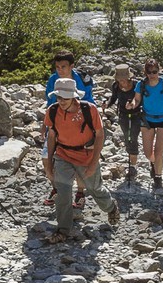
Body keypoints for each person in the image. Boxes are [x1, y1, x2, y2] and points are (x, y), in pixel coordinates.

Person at [43, 77, 119, 241]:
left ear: (74, 96)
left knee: (94, 189)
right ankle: (63, 230)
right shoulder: (53, 110)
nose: (61, 101)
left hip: (86, 156)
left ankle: (111, 207)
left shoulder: (89, 110)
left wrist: (93, 162)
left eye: (65, 97)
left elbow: (99, 135)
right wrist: (49, 164)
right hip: (63, 154)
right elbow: (51, 136)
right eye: (59, 97)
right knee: (63, 193)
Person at [42, 50, 93, 207]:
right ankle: (57, 188)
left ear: (72, 66)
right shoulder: (53, 80)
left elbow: (90, 102)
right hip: (57, 124)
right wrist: (45, 124)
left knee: (80, 160)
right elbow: (50, 102)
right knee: (46, 158)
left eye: (63, 66)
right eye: (57, 67)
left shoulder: (82, 80)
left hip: (80, 126)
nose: (60, 70)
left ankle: (80, 192)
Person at [135, 58, 163, 188]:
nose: (152, 74)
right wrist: (131, 105)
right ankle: (153, 163)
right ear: (145, 72)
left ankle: (158, 177)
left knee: (159, 152)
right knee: (148, 153)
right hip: (147, 120)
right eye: (149, 72)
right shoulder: (140, 85)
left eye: (155, 71)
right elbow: (136, 100)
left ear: (159, 70)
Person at [106, 63, 142, 180]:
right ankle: (131, 160)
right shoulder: (116, 86)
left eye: (124, 79)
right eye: (119, 79)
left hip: (136, 115)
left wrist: (133, 104)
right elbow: (114, 97)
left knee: (133, 137)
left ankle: (133, 166)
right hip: (123, 115)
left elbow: (140, 98)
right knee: (127, 138)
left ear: (128, 77)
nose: (122, 82)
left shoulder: (137, 85)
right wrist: (107, 103)